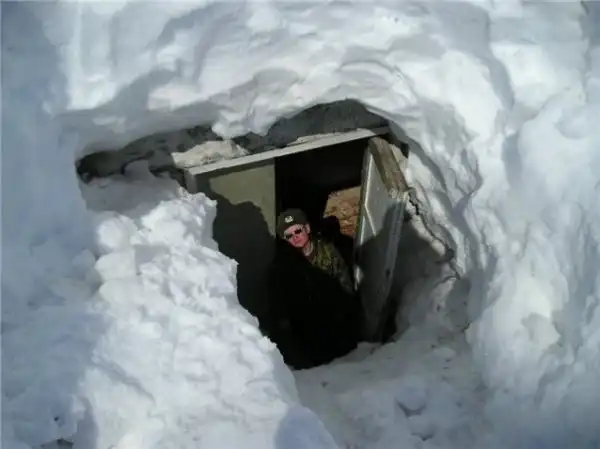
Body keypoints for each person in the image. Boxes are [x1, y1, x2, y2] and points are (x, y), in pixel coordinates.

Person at [265, 208, 362, 369]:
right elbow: (278, 308)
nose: (295, 237)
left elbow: (346, 287)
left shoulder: (328, 253)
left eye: (298, 231)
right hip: (304, 332)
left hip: (332, 325)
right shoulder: (282, 265)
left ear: (307, 229)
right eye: (289, 235)